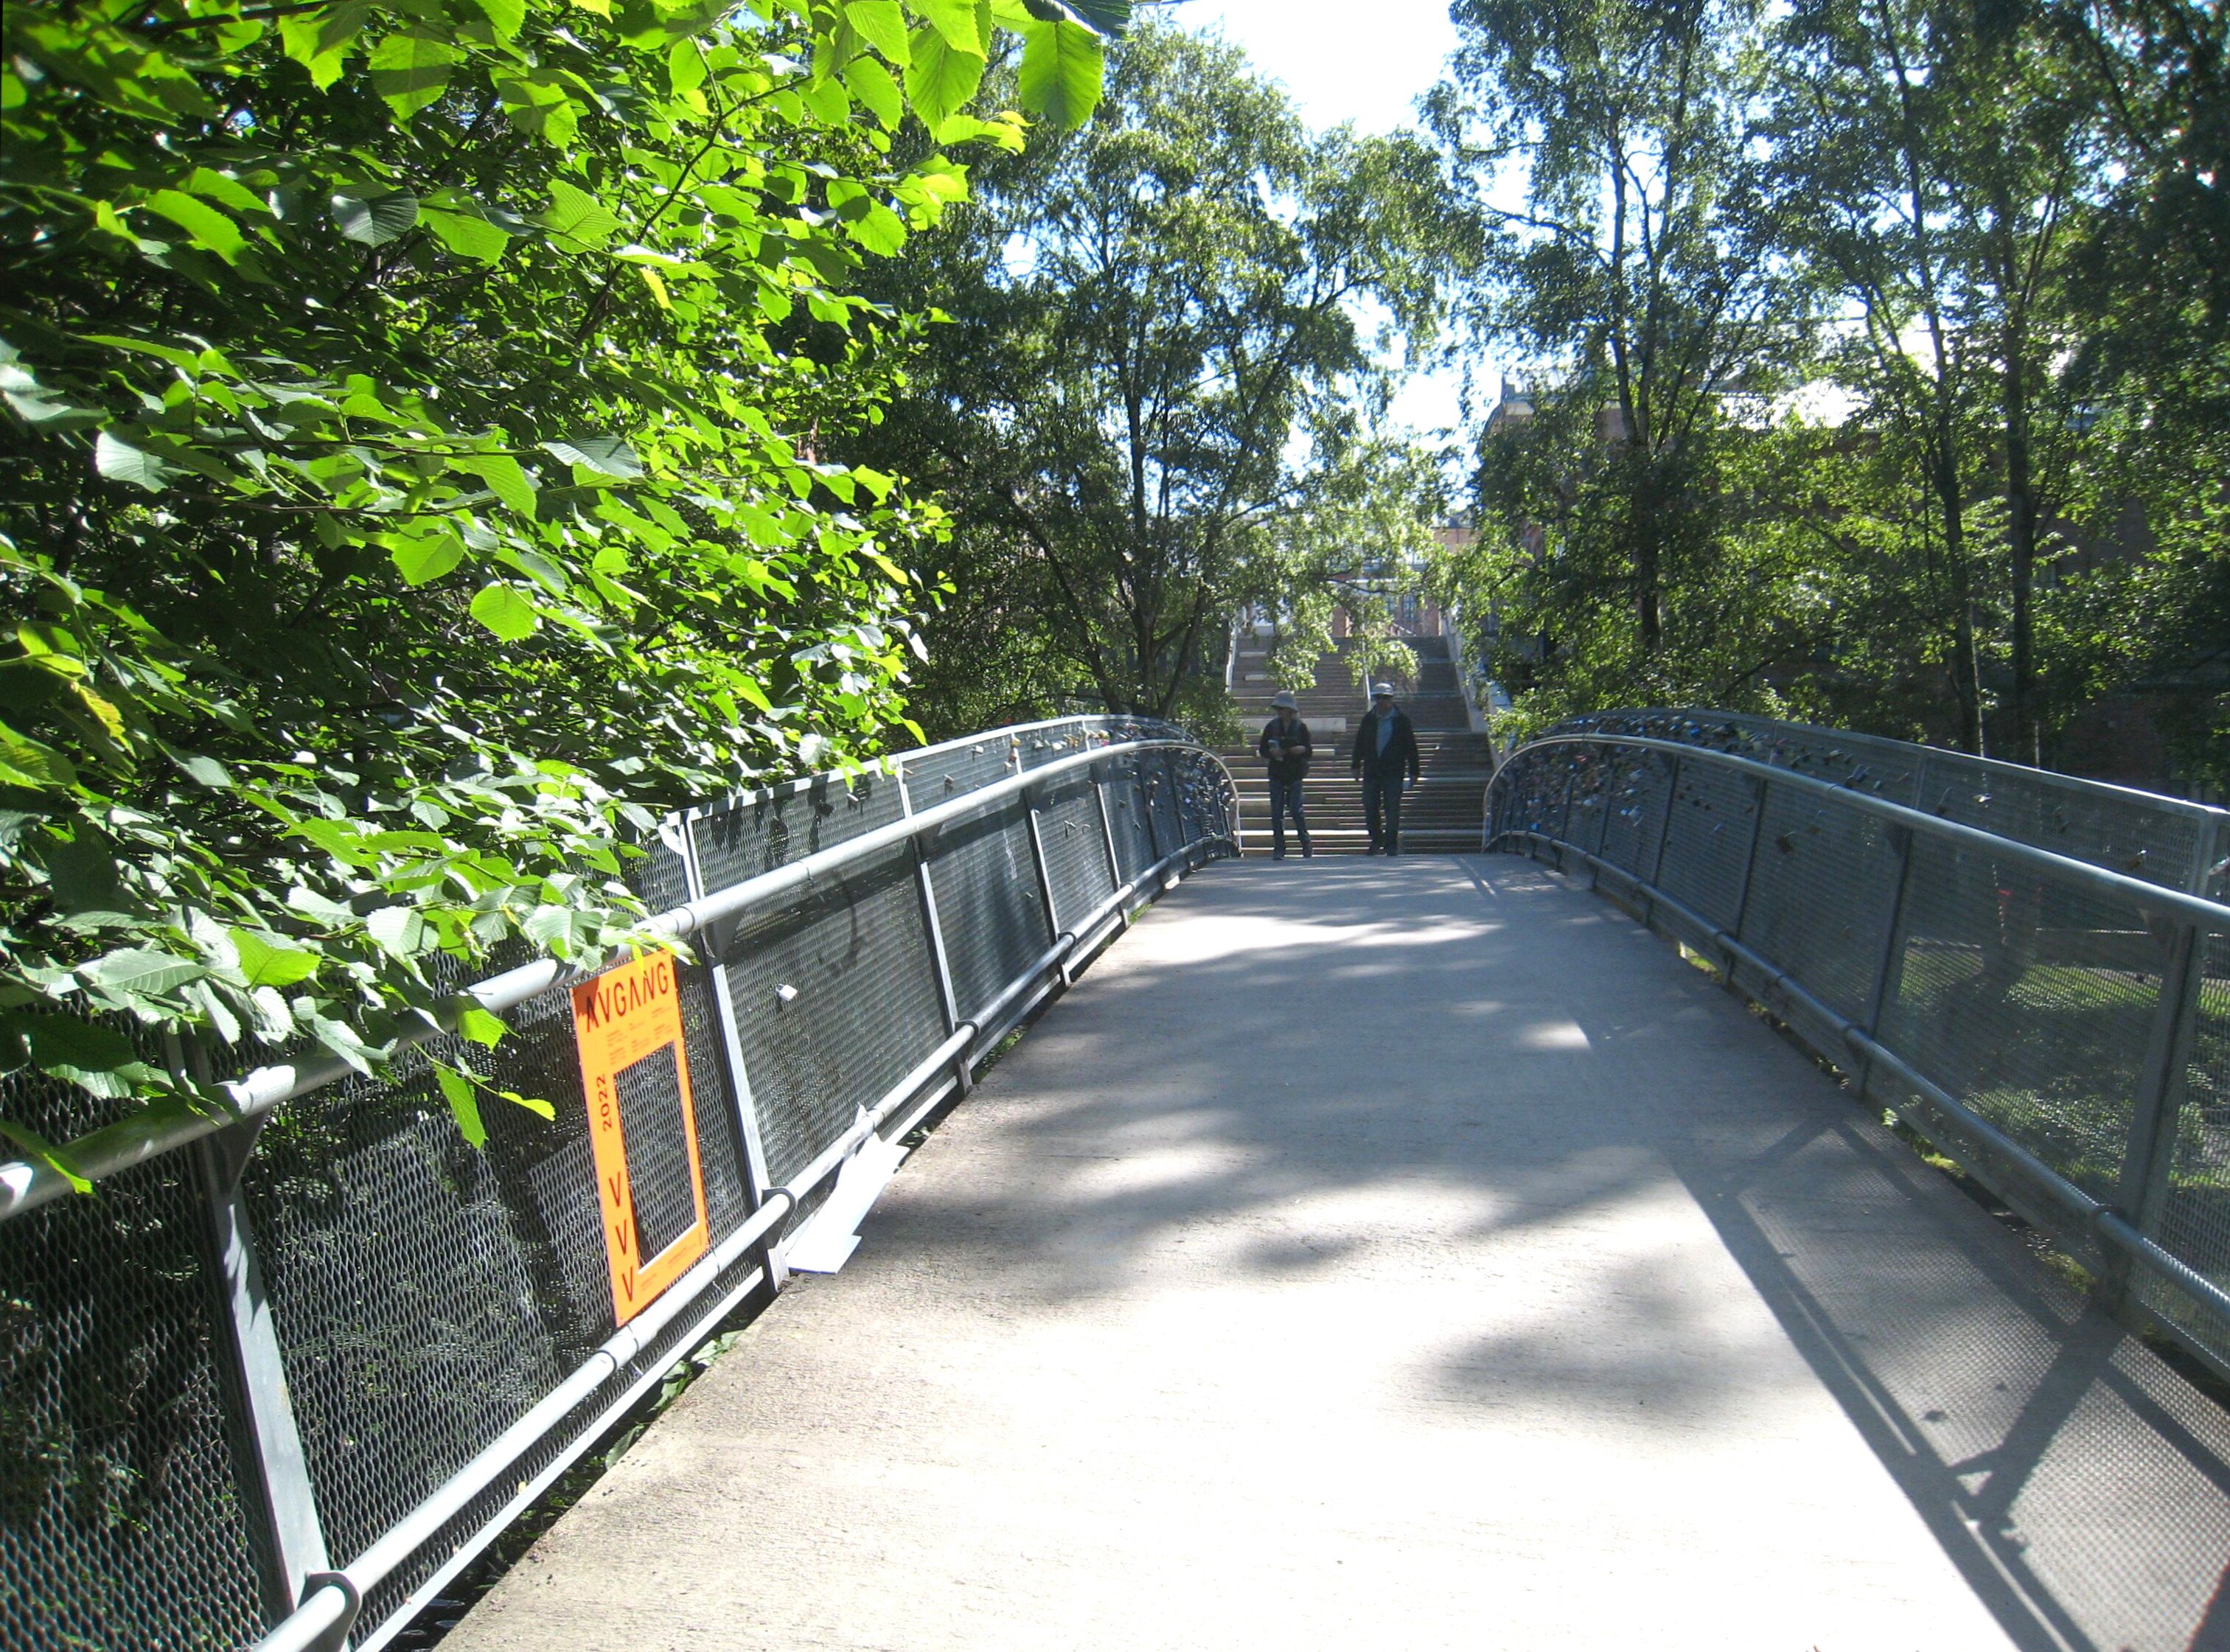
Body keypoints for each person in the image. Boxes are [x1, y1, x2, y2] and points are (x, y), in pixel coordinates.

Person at [1351, 682, 1420, 855]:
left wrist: (1414, 771)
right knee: (1370, 806)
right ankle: (1376, 839)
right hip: (1372, 771)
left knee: (1392, 808)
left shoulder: (1401, 721)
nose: (1381, 701)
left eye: (1385, 698)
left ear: (1391, 699)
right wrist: (1355, 765)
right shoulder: (1369, 719)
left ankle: (1391, 845)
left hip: (1393, 772)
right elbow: (1359, 743)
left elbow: (1411, 746)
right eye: (1378, 698)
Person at [1255, 689, 1314, 859]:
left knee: (1296, 810)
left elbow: (1309, 750)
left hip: (1295, 774)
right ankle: (1279, 848)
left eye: (1283, 708)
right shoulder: (1271, 727)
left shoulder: (1300, 727)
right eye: (1278, 709)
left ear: (1290, 710)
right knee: (1276, 813)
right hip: (1277, 773)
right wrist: (1272, 753)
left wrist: (1300, 749)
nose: (1280, 712)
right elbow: (1263, 750)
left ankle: (1305, 843)